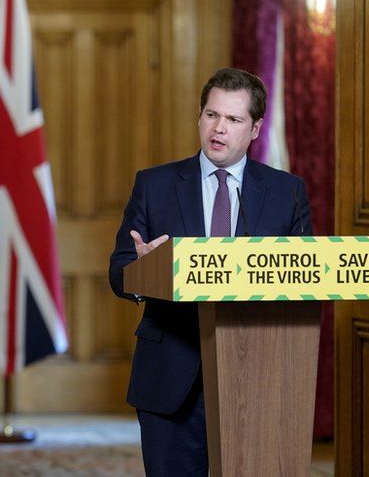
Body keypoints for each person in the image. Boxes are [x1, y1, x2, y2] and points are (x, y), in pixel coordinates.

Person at [109, 68, 312, 476]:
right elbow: (119, 271)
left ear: (255, 128)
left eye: (233, 120)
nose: (219, 129)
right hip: (170, 377)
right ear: (199, 116)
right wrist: (148, 271)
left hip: (258, 380)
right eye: (211, 115)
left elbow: (304, 277)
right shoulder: (155, 184)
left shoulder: (286, 191)